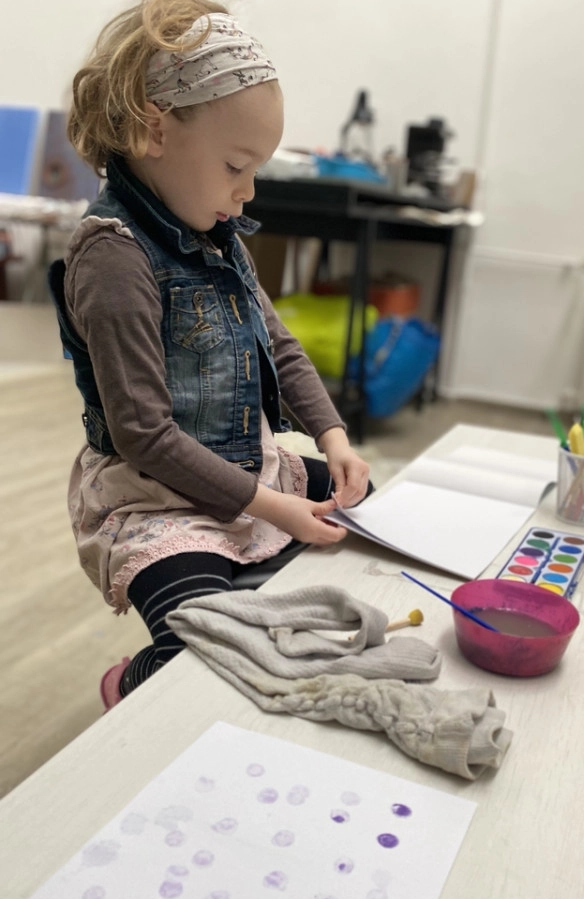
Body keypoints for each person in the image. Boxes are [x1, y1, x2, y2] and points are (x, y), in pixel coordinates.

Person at [49, 0, 371, 709]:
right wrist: (277, 509)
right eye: (235, 166)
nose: (247, 193)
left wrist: (335, 439)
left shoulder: (218, 233)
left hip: (248, 473)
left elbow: (280, 347)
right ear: (154, 130)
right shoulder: (112, 256)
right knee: (204, 655)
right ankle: (129, 684)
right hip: (159, 502)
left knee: (374, 517)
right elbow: (145, 435)